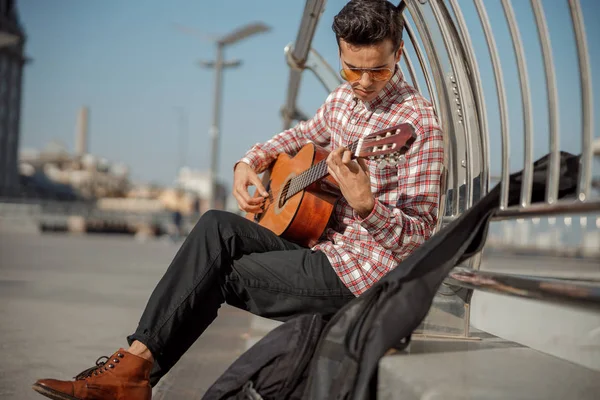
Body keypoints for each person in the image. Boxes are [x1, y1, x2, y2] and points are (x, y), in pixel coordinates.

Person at [32, 1, 444, 399]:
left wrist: (368, 206)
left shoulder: (419, 123)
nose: (364, 82)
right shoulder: (341, 100)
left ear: (399, 53)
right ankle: (132, 370)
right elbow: (299, 136)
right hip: (322, 246)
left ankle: (132, 377)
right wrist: (250, 161)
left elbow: (420, 237)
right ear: (338, 51)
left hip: (363, 274)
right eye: (352, 68)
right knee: (216, 224)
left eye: (379, 70)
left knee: (218, 275)